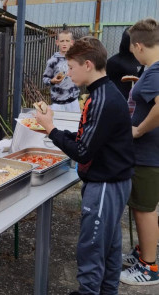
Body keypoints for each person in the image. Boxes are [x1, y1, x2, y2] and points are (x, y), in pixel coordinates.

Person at [36, 36, 134, 294]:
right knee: (110, 249)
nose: (68, 73)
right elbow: (87, 139)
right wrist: (55, 131)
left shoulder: (102, 99)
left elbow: (81, 151)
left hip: (105, 185)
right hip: (115, 182)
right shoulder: (104, 92)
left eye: (71, 67)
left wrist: (50, 128)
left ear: (88, 65)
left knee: (91, 249)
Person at [119, 18, 159, 286]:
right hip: (147, 154)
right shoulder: (151, 70)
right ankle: (143, 253)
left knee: (145, 210)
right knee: (140, 207)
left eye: (132, 48)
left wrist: (139, 130)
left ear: (138, 45)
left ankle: (149, 266)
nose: (132, 53)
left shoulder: (155, 71)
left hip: (148, 154)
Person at [43, 30, 81, 112]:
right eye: (62, 41)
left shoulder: (76, 59)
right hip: (58, 103)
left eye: (67, 41)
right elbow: (45, 79)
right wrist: (52, 81)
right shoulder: (52, 61)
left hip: (73, 101)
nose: (64, 43)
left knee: (74, 124)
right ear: (57, 42)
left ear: (72, 42)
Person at [106, 28, 143, 100]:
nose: (136, 44)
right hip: (118, 100)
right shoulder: (113, 61)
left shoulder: (141, 60)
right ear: (126, 41)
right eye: (133, 41)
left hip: (137, 100)